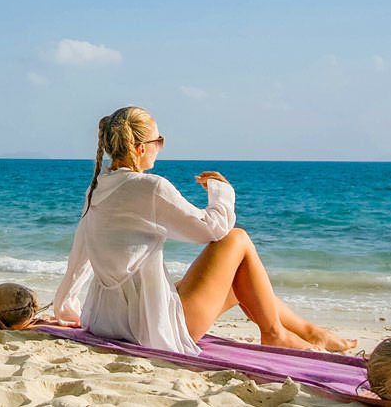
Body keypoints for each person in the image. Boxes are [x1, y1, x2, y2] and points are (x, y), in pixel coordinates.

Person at [51, 106, 356, 356]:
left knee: (240, 280)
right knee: (238, 239)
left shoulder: (96, 188)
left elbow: (78, 257)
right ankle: (276, 333)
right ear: (142, 148)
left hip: (107, 319)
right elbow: (212, 230)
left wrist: (66, 307)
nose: (161, 147)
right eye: (160, 141)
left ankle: (311, 333)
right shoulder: (151, 188)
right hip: (146, 326)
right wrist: (222, 191)